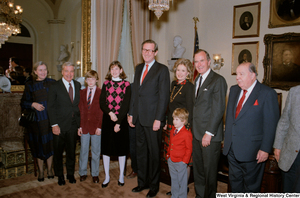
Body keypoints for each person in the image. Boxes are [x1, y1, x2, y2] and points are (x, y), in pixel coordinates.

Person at [223, 62, 280, 192]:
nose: (237, 77)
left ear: (253, 75)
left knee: (251, 188)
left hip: (253, 152)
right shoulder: (234, 90)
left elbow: (271, 124)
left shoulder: (267, 93)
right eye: (237, 74)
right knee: (235, 186)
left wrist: (265, 149)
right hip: (232, 149)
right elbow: (232, 119)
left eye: (241, 74)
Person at [128, 39, 170, 198]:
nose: (146, 53)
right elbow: (135, 93)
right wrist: (131, 113)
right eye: (144, 50)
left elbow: (164, 97)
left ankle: (154, 186)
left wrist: (159, 119)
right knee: (141, 153)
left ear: (155, 53)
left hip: (153, 120)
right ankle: (142, 183)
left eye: (150, 50)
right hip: (138, 118)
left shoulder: (162, 70)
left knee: (153, 154)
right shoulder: (139, 68)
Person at [192, 49, 227, 198]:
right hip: (196, 133)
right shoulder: (197, 80)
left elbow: (218, 110)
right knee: (198, 170)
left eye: (201, 61)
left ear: (208, 62)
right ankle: (200, 195)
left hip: (209, 136)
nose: (199, 64)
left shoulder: (218, 80)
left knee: (210, 172)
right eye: (196, 61)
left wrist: (209, 133)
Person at [21, 61, 56, 182]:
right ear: (35, 72)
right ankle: (41, 171)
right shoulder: (29, 84)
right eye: (40, 70)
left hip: (50, 120)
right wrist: (33, 104)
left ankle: (50, 169)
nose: (43, 72)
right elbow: (23, 102)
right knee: (38, 146)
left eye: (45, 70)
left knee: (50, 145)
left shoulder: (53, 83)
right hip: (36, 122)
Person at [163, 58, 194, 196]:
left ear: (188, 73)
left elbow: (190, 109)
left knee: (183, 161)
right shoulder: (173, 84)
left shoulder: (189, 87)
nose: (180, 73)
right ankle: (176, 187)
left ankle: (183, 188)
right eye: (178, 70)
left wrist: (186, 127)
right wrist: (166, 121)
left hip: (182, 126)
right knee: (172, 158)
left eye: (183, 70)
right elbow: (170, 106)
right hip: (171, 124)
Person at [47, 62, 81, 186]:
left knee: (71, 152)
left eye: (71, 71)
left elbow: (78, 106)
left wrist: (80, 125)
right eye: (66, 71)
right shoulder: (55, 86)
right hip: (59, 125)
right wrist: (54, 124)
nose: (69, 74)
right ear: (62, 72)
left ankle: (70, 174)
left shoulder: (77, 85)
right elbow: (50, 107)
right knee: (58, 153)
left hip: (73, 125)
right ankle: (60, 175)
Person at [100, 61, 131, 188]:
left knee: (121, 149)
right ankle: (107, 176)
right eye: (112, 69)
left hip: (121, 119)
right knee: (107, 149)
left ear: (121, 70)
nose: (114, 71)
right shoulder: (106, 84)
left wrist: (118, 122)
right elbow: (102, 102)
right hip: (108, 119)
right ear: (109, 71)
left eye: (116, 69)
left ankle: (120, 176)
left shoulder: (127, 84)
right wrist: (110, 113)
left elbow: (126, 104)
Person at [78, 70, 103, 184]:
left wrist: (100, 127)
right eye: (88, 79)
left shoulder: (101, 92)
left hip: (96, 127)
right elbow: (80, 111)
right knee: (83, 150)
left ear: (96, 80)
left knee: (95, 152)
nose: (90, 81)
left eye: (93, 79)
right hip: (84, 126)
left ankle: (95, 173)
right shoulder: (81, 93)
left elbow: (102, 111)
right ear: (86, 80)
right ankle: (82, 172)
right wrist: (80, 126)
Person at [274, 85, 300, 193]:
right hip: (291, 154)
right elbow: (284, 121)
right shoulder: (294, 92)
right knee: (288, 190)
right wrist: (277, 146)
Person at [166, 108, 192, 198]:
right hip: (171, 160)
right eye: (173, 119)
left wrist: (185, 161)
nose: (174, 121)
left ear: (183, 121)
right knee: (174, 180)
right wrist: (168, 155)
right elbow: (170, 144)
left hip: (181, 162)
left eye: (177, 119)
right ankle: (174, 195)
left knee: (182, 182)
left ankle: (182, 196)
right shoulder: (173, 130)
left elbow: (189, 149)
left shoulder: (187, 134)